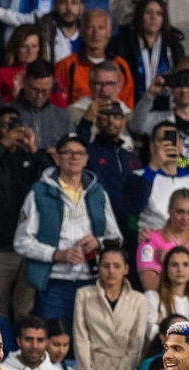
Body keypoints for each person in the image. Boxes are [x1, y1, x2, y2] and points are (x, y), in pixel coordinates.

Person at [14, 135, 122, 323]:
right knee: (55, 341)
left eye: (80, 153)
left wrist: (98, 242)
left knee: (86, 341)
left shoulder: (98, 193)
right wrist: (57, 254)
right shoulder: (39, 193)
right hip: (54, 282)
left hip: (92, 280)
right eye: (68, 153)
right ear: (56, 157)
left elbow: (116, 238)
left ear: (86, 159)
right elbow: (21, 242)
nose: (74, 157)